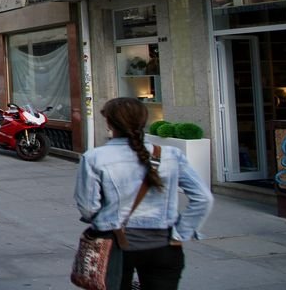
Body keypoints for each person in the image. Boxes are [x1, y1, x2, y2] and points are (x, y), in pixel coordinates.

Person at [74, 97, 213, 290]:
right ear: (144, 121)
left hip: (114, 247)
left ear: (109, 123)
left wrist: (104, 219)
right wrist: (180, 234)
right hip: (164, 246)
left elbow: (88, 207)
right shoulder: (172, 155)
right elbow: (203, 198)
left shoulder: (94, 158)